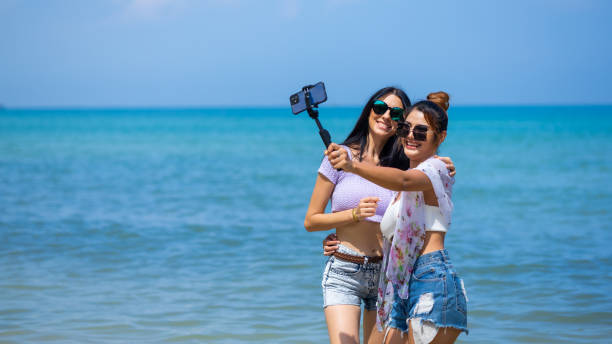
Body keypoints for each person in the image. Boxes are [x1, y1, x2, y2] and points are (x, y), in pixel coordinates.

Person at [304, 87, 456, 344]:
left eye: (396, 113)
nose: (386, 115)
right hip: (344, 269)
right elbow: (311, 220)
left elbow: (418, 191)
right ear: (368, 111)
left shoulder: (403, 167)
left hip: (388, 276)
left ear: (402, 124)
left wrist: (441, 162)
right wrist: (351, 216)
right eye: (379, 107)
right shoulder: (340, 157)